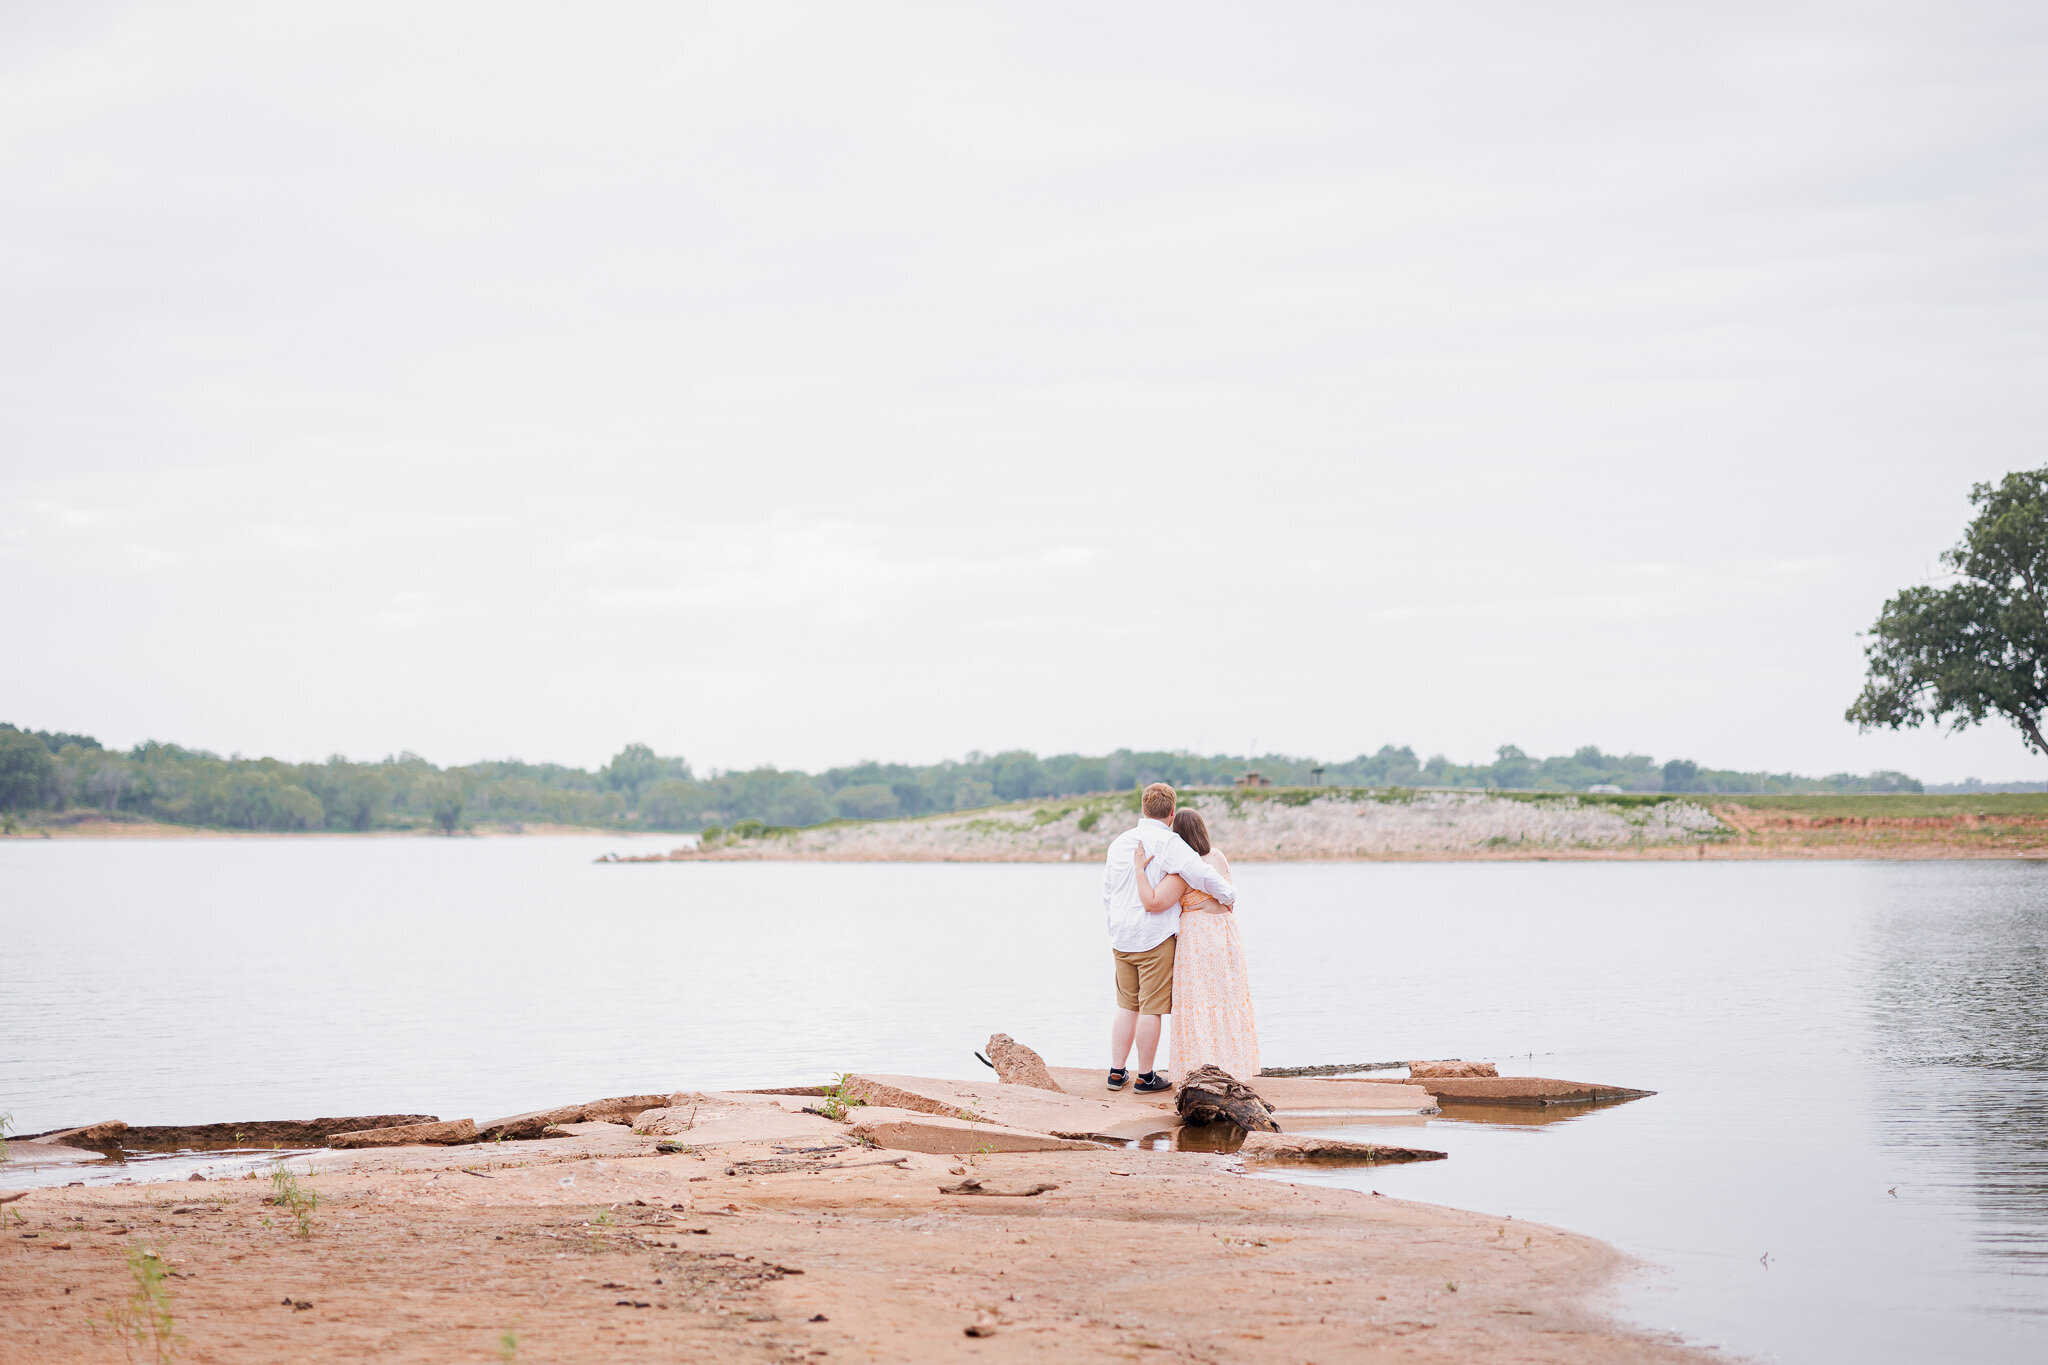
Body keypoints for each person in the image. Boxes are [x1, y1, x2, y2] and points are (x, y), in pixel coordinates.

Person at [1102, 782, 1237, 1093]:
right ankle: (1145, 1077)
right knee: (1151, 1008)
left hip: (1121, 936)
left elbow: (1107, 892)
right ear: (1172, 811)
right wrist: (1228, 893)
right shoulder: (1169, 842)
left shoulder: (1120, 843)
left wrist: (1115, 925)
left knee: (1126, 1005)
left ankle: (1115, 1073)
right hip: (1153, 937)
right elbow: (1200, 873)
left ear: (1143, 808)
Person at [1132, 807, 1260, 1085]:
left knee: (1196, 1000)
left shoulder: (1183, 868)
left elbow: (1157, 902)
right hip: (1225, 929)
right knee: (1227, 997)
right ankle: (1233, 1064)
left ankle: (1198, 1066)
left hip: (1197, 932)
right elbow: (1228, 897)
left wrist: (1141, 872)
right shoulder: (1218, 856)